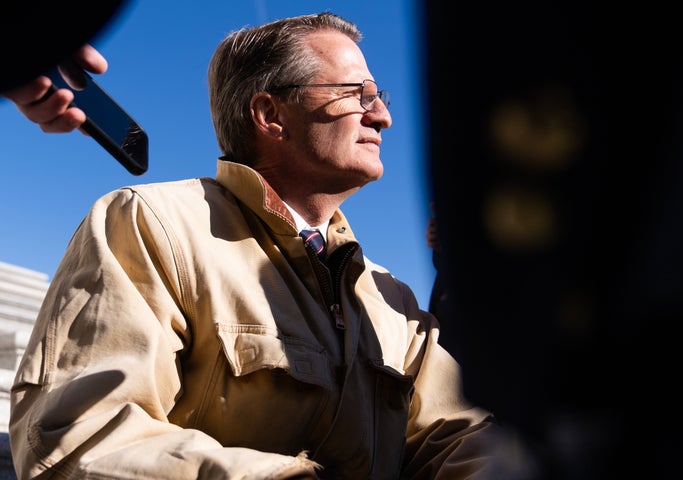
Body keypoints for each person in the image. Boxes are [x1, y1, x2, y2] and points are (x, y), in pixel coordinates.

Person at [3, 12, 516, 480]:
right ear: (271, 114)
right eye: (357, 94)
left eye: (379, 97)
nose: (381, 116)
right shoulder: (151, 223)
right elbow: (78, 442)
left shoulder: (394, 303)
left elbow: (464, 438)